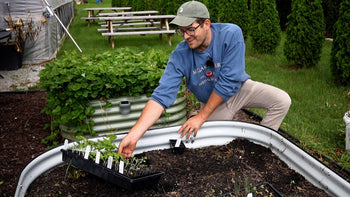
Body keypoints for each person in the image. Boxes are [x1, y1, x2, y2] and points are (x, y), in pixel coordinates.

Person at [118, 1, 291, 158]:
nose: (186, 36)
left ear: (206, 24)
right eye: (182, 30)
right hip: (213, 102)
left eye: (190, 29)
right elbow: (161, 96)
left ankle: (259, 149)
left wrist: (201, 117)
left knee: (281, 101)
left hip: (240, 89)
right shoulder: (180, 55)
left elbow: (229, 81)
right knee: (216, 151)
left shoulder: (230, 34)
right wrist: (133, 135)